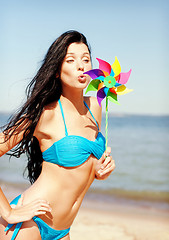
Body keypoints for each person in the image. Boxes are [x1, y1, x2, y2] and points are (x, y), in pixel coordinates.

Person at [0, 30, 115, 240]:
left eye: (86, 59)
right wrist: (7, 211)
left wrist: (99, 170)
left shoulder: (96, 106)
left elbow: (80, 167)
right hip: (29, 225)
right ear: (56, 71)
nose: (81, 65)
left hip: (63, 230)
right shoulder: (45, 114)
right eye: (71, 60)